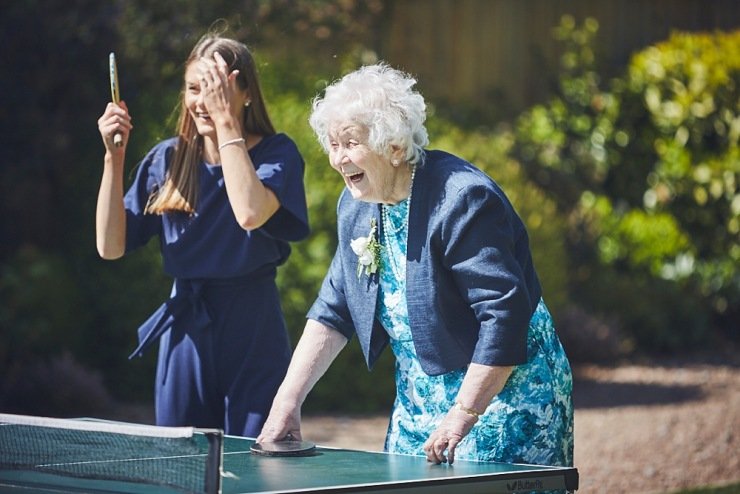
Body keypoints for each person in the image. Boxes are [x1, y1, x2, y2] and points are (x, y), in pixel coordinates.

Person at [257, 63, 573, 467]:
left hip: (505, 393)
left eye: (351, 143)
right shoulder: (358, 206)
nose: (338, 159)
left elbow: (504, 314)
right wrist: (288, 401)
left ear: (394, 147)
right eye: (332, 144)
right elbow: (334, 310)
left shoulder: (461, 200)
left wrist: (463, 415)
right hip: (419, 397)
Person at [95, 32, 309, 437]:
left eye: (215, 88)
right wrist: (114, 156)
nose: (202, 100)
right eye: (194, 88)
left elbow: (249, 213)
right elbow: (109, 246)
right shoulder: (167, 160)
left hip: (253, 327)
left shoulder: (277, 154)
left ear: (246, 93)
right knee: (184, 461)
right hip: (185, 332)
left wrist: (225, 121)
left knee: (254, 461)